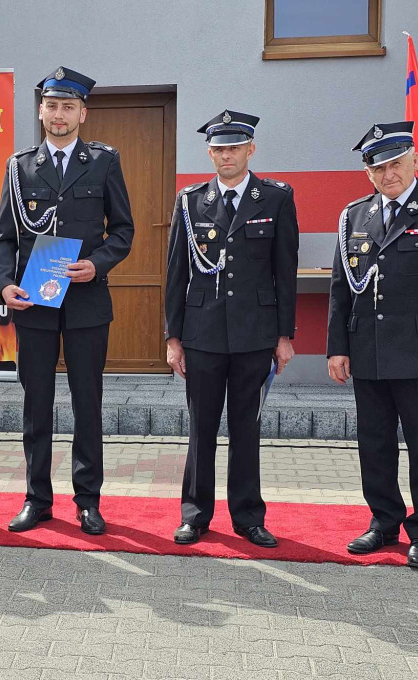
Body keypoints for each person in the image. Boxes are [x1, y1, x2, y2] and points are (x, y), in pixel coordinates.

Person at [0, 67, 133, 535]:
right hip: (34, 303)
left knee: (87, 403)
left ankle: (88, 501)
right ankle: (37, 499)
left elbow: (124, 231)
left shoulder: (105, 162)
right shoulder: (19, 166)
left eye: (68, 107)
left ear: (82, 113)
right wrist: (7, 284)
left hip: (87, 301)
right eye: (51, 106)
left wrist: (99, 263)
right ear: (41, 110)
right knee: (37, 404)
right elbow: (5, 239)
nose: (58, 115)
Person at [327, 121, 418, 569]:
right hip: (368, 351)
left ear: (414, 162)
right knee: (375, 443)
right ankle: (384, 522)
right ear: (367, 173)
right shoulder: (355, 216)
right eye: (378, 168)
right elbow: (340, 288)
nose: (388, 174)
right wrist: (337, 348)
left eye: (395, 164)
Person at [164, 110, 299, 548]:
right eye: (219, 149)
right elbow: (175, 273)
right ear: (210, 152)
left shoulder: (276, 198)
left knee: (247, 427)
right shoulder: (190, 201)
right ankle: (195, 515)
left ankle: (248, 517)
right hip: (202, 333)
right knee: (201, 427)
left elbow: (285, 271)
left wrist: (284, 336)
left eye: (234, 148)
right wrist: (173, 337)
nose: (226, 155)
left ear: (250, 149)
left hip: (255, 334)